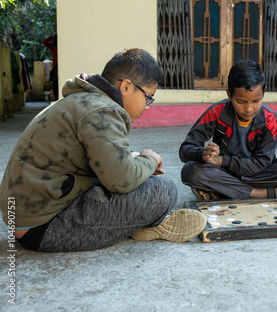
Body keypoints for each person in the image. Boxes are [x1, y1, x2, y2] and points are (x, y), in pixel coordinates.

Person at [0, 48, 206, 252]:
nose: (147, 106)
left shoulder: (85, 101)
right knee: (164, 190)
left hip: (31, 214)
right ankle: (144, 224)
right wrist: (150, 159)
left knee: (141, 175)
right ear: (126, 87)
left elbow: (98, 158)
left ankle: (141, 225)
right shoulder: (103, 110)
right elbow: (121, 179)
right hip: (44, 225)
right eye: (148, 96)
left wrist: (134, 159)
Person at [180, 59, 277, 201]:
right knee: (191, 171)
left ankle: (225, 191)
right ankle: (263, 193)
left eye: (256, 101)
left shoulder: (270, 119)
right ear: (229, 94)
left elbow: (261, 163)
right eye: (241, 102)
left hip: (258, 172)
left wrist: (221, 160)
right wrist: (203, 154)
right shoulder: (217, 112)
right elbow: (185, 149)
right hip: (226, 172)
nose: (249, 109)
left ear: (263, 93)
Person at [42, 34, 59, 100]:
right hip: (55, 67)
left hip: (60, 67)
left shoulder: (64, 46)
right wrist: (52, 36)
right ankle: (56, 99)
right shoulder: (53, 47)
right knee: (55, 85)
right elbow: (44, 41)